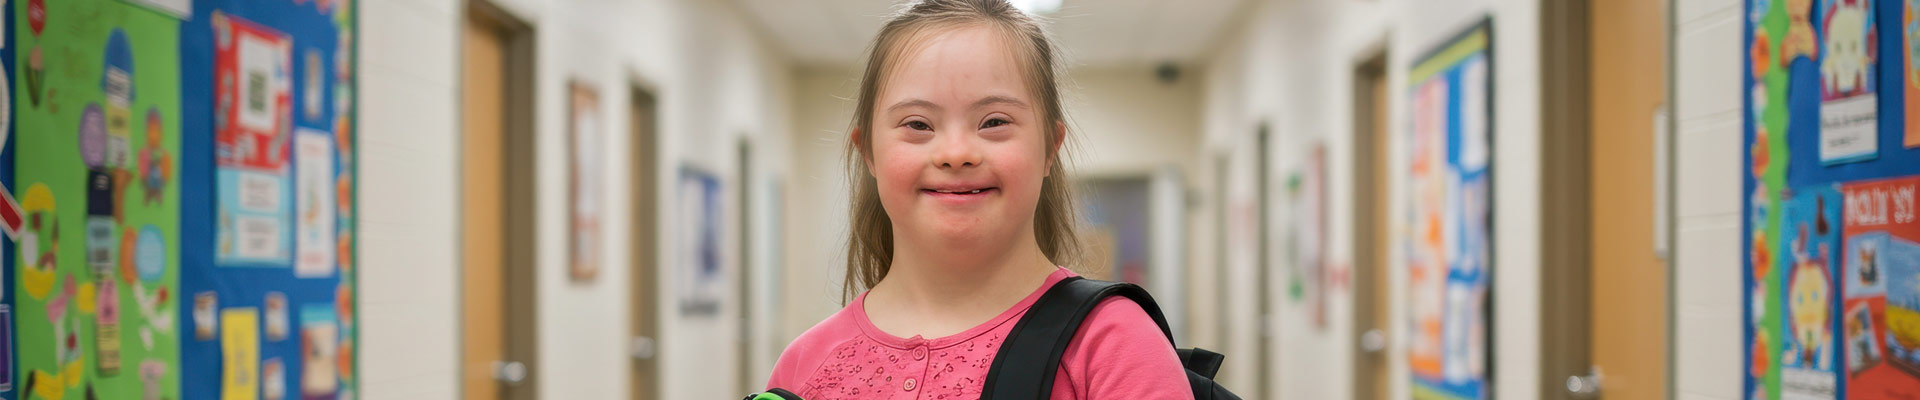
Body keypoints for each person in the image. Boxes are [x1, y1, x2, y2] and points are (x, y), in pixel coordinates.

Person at [762, 0, 1193, 398]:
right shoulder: (802, 366)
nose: (956, 154)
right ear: (869, 153)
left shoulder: (1113, 346)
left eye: (993, 121)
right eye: (917, 124)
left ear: (1049, 147)